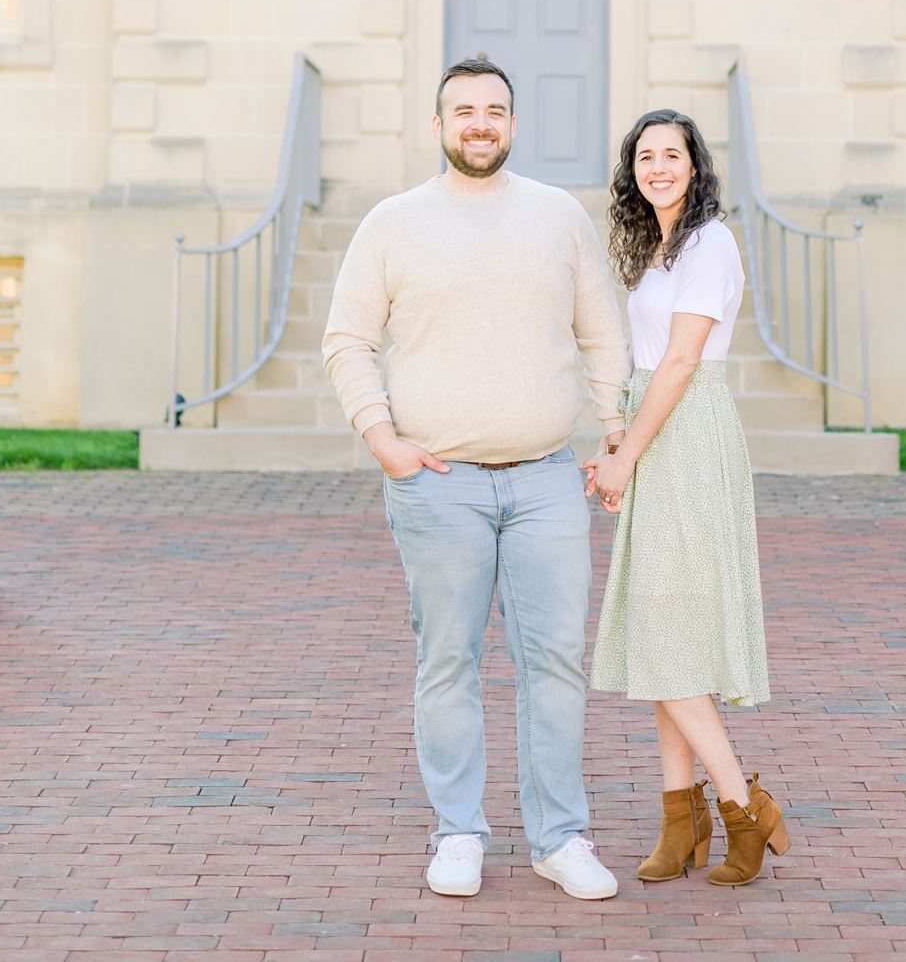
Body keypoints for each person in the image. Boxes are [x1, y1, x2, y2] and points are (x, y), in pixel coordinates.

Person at [322, 56, 632, 903]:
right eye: (464, 110)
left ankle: (560, 838)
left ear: (514, 125)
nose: (480, 123)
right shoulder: (393, 223)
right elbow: (347, 337)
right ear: (439, 126)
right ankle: (458, 831)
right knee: (449, 661)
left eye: (495, 109)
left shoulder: (558, 217)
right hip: (438, 483)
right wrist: (380, 437)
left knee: (556, 661)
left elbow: (603, 333)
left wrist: (615, 431)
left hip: (546, 483)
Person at [584, 109, 791, 887]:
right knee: (661, 631)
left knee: (672, 633)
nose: (657, 167)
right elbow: (646, 365)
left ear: (696, 168)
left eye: (672, 155)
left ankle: (744, 809)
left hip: (689, 435)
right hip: (655, 427)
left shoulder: (710, 243)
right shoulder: (659, 245)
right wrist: (619, 443)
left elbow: (679, 365)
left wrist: (625, 457)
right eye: (645, 156)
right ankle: (681, 820)